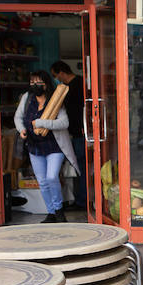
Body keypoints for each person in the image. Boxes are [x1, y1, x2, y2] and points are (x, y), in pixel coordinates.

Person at [15, 70, 78, 223]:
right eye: (32, 83)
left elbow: (64, 123)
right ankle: (51, 212)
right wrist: (21, 129)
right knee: (42, 181)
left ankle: (59, 210)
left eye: (38, 83)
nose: (35, 86)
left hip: (54, 146)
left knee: (51, 177)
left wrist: (42, 123)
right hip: (34, 147)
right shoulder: (27, 98)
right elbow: (18, 117)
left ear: (46, 84)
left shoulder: (55, 100)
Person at [51, 60, 88, 213]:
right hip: (74, 132)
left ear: (61, 72)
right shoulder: (68, 86)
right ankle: (80, 199)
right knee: (79, 167)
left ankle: (82, 200)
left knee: (81, 167)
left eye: (55, 75)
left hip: (80, 133)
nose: (56, 78)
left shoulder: (77, 85)